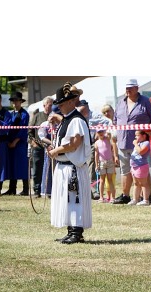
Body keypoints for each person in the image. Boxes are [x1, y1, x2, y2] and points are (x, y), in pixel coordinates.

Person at [47, 82, 92, 244]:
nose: (60, 106)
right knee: (68, 199)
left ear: (72, 102)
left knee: (74, 198)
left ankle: (76, 231)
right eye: (59, 104)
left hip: (73, 167)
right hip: (64, 166)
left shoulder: (76, 120)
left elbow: (75, 143)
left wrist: (56, 150)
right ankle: (71, 230)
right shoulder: (67, 119)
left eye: (63, 103)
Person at [113, 79, 151, 205]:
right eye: (127, 87)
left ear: (137, 88)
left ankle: (146, 196)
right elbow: (115, 120)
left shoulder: (146, 102)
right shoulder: (120, 102)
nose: (128, 90)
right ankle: (125, 195)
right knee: (125, 170)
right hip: (123, 141)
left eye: (131, 87)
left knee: (143, 169)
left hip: (141, 143)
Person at [4, 91, 30, 196]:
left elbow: (23, 130)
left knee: (22, 166)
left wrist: (15, 141)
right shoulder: (11, 113)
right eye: (13, 100)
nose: (15, 102)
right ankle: (12, 189)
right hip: (11, 143)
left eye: (17, 100)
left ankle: (25, 189)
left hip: (20, 144)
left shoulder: (24, 114)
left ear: (20, 101)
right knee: (12, 166)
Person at [28, 96, 53, 197]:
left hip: (51, 148)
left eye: (52, 105)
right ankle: (37, 190)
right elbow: (30, 131)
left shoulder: (54, 116)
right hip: (38, 147)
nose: (50, 107)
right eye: (49, 105)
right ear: (44, 105)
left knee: (49, 169)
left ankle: (49, 190)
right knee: (37, 169)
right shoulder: (37, 116)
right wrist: (32, 142)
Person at [95, 128, 118, 202]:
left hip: (110, 162)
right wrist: (96, 164)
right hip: (101, 162)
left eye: (102, 131)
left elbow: (110, 136)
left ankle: (113, 197)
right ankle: (101, 197)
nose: (101, 133)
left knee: (110, 179)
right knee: (102, 180)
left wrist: (108, 130)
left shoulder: (107, 139)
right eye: (99, 132)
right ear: (97, 133)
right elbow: (96, 154)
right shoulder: (97, 143)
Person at [128, 130, 151, 205]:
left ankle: (146, 200)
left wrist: (135, 144)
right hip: (134, 166)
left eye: (137, 135)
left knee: (143, 183)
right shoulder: (139, 143)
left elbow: (141, 152)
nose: (135, 137)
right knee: (136, 183)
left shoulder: (146, 143)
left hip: (141, 166)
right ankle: (135, 199)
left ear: (144, 136)